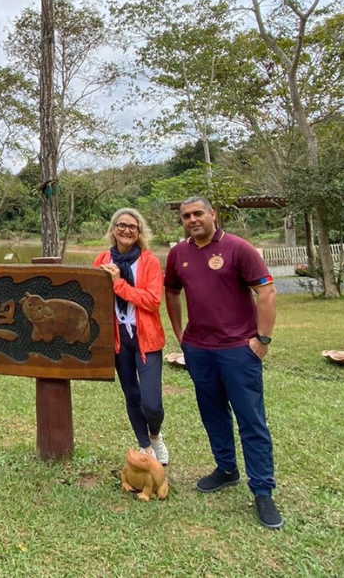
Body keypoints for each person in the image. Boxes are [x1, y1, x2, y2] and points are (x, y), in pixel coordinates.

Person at [163, 196, 283, 529]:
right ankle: (226, 469)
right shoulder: (178, 254)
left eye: (198, 213)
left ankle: (262, 490)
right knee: (212, 412)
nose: (192, 219)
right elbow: (171, 291)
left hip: (237, 350)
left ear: (213, 215)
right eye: (186, 216)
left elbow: (267, 291)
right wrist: (180, 333)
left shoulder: (237, 248)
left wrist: (263, 338)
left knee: (251, 419)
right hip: (199, 350)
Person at [93, 207, 169, 465]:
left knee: (152, 404)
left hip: (146, 338)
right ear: (113, 229)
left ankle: (155, 435)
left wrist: (119, 284)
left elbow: (152, 300)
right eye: (121, 225)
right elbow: (93, 296)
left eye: (132, 227)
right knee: (132, 396)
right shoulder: (103, 259)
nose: (126, 230)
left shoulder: (149, 262)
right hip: (118, 339)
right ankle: (145, 447)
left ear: (139, 233)